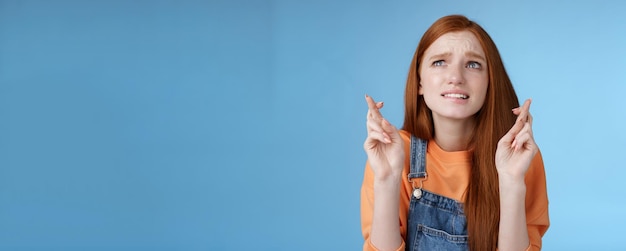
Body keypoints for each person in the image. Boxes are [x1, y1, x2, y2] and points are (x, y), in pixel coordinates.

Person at [361, 15, 549, 251]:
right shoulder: (394, 154)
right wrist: (387, 179)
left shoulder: (520, 156)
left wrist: (511, 181)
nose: (456, 77)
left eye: (473, 64)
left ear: (490, 82)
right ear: (419, 82)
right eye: (440, 62)